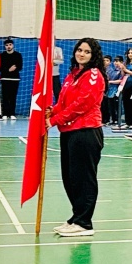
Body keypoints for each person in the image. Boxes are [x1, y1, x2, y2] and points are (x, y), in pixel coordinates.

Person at [49, 38, 106, 237]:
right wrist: (51, 111)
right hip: (69, 132)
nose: (82, 54)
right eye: (79, 50)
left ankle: (84, 223)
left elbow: (82, 104)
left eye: (87, 52)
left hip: (86, 132)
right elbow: (63, 101)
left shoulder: (93, 75)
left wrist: (54, 120)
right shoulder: (72, 74)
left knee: (84, 179)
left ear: (93, 55)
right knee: (70, 178)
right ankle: (76, 217)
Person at [0, 38, 23, 121]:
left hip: (15, 79)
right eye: (7, 45)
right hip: (5, 78)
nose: (8, 46)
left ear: (13, 45)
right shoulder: (2, 55)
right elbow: (0, 67)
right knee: (5, 96)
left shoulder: (18, 55)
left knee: (13, 97)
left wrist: (14, 69)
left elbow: (20, 66)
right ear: (5, 46)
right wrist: (8, 70)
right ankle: (5, 113)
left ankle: (12, 113)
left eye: (10, 45)